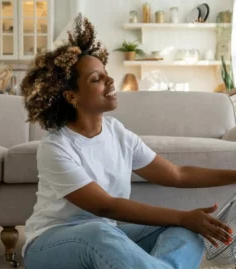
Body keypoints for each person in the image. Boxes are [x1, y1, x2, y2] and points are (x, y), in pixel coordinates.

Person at [20, 15, 235, 269]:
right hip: (50, 244)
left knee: (186, 232)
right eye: (96, 79)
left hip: (107, 234)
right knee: (100, 234)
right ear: (71, 96)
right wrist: (183, 215)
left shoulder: (116, 132)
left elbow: (177, 174)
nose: (110, 81)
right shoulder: (56, 146)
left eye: (106, 74)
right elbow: (106, 206)